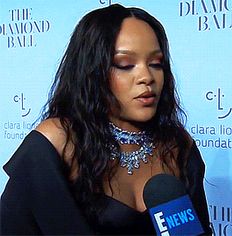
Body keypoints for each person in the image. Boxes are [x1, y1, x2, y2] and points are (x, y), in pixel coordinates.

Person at [1, 3, 212, 235]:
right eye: (125, 65)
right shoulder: (56, 144)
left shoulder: (178, 146)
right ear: (91, 72)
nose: (146, 77)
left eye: (156, 64)